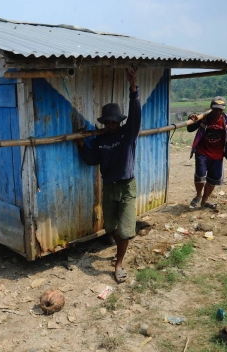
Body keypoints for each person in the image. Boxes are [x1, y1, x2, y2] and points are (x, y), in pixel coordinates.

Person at [75, 66, 140, 284]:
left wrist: (133, 89)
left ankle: (119, 263)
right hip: (109, 187)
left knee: (124, 229)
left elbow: (136, 116)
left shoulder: (128, 134)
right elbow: (91, 159)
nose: (111, 124)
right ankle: (119, 249)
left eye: (114, 121)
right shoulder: (101, 140)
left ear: (120, 121)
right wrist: (81, 143)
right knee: (110, 227)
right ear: (105, 122)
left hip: (126, 187)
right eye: (108, 122)